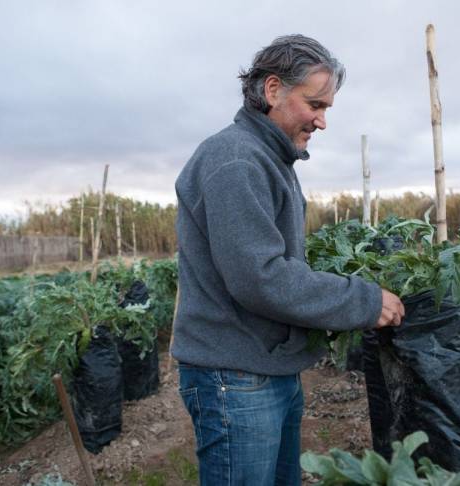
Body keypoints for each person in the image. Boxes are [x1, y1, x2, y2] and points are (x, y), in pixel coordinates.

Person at [171, 34, 405, 486]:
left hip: (265, 369)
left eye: (327, 109)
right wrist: (363, 300)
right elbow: (261, 278)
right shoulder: (235, 159)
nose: (321, 121)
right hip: (235, 377)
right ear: (273, 90)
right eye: (315, 105)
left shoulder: (269, 159)